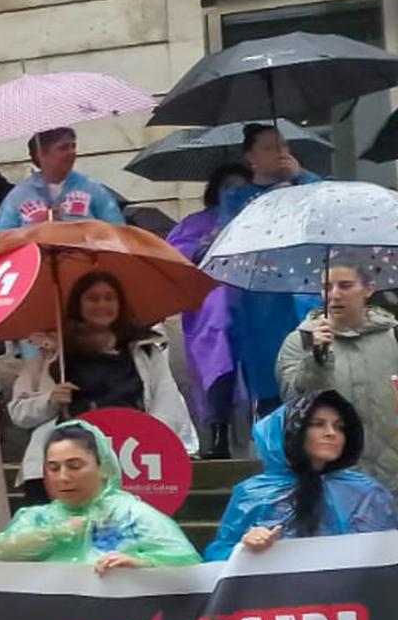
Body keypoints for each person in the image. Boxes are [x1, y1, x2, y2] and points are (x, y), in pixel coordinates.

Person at [7, 272, 196, 502]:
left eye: (109, 298)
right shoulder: (51, 353)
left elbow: (168, 406)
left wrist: (145, 439)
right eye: (92, 298)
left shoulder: (145, 351)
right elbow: (19, 412)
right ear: (78, 304)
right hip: (60, 470)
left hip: (131, 464)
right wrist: (50, 400)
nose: (102, 305)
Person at [205, 390, 398, 561]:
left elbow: (387, 556)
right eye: (317, 424)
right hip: (276, 597)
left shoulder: (365, 493)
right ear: (292, 432)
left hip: (350, 597)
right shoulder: (254, 493)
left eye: (340, 426)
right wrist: (245, 547)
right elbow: (218, 556)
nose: (331, 433)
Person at [0, 422, 201, 569]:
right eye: (53, 468)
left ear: (103, 467)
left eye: (75, 466)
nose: (63, 477)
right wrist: (55, 534)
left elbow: (188, 562)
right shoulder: (37, 518)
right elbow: (0, 551)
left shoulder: (130, 515)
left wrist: (144, 564)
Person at [222, 125, 326, 416]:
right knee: (273, 384)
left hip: (307, 295)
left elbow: (328, 207)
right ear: (250, 157)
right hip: (262, 304)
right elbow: (236, 238)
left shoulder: (306, 187)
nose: (280, 153)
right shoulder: (238, 197)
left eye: (284, 146)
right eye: (269, 147)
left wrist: (302, 178)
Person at [276, 260, 398, 496]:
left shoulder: (393, 336)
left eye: (345, 286)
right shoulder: (300, 341)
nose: (335, 295)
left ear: (369, 288)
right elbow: (292, 403)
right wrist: (316, 359)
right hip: (331, 483)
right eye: (327, 287)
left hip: (391, 478)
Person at [164, 164, 244, 458]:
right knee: (216, 376)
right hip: (210, 319)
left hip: (249, 311)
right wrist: (206, 244)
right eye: (227, 188)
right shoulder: (196, 223)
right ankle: (217, 437)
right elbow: (173, 259)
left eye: (240, 187)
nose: (233, 194)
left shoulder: (256, 221)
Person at [0, 128, 125, 231]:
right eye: (63, 148)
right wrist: (37, 228)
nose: (72, 152)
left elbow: (118, 230)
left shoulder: (92, 189)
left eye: (73, 146)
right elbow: (1, 238)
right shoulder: (18, 196)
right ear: (41, 155)